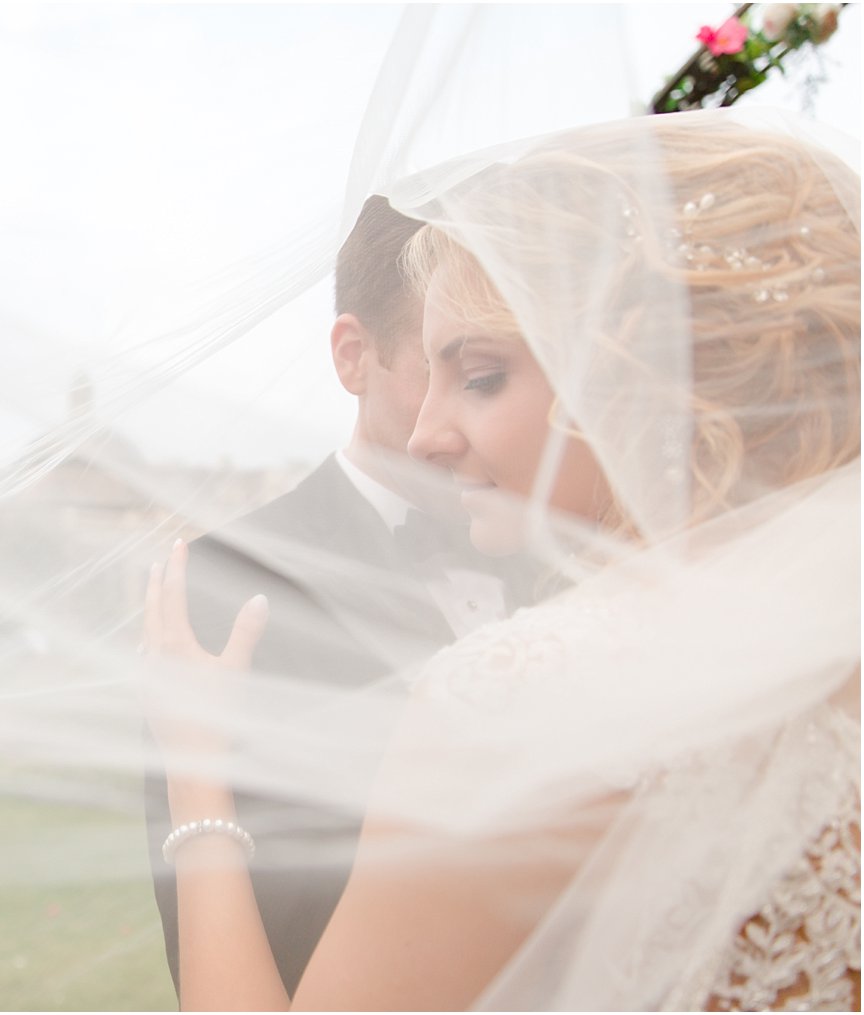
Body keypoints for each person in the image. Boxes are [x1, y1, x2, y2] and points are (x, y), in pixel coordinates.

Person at [144, 110, 860, 1010]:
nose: (427, 431)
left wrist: (198, 775)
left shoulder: (518, 693)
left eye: (480, 377)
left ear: (630, 372)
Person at [142, 194, 535, 999]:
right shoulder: (224, 586)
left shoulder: (565, 542)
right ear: (354, 356)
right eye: (444, 368)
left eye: (493, 375)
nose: (447, 421)